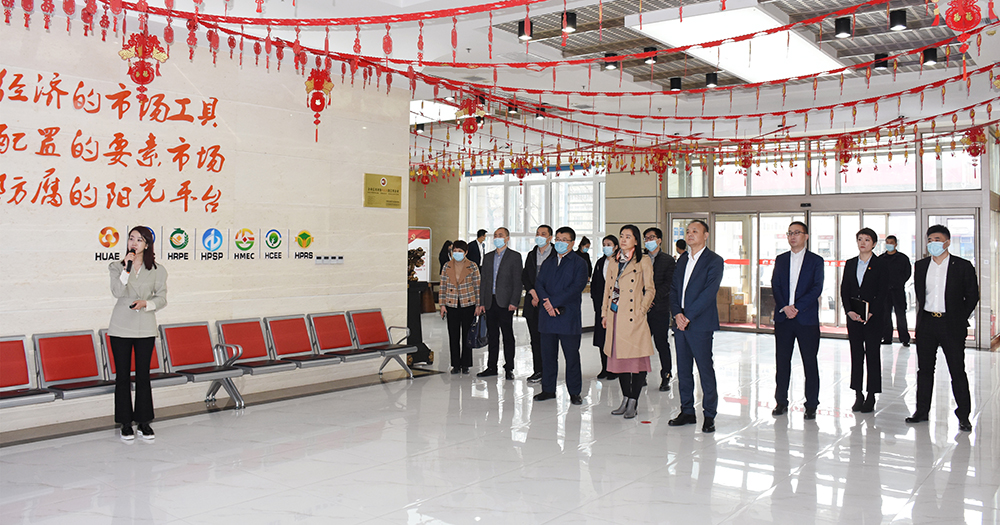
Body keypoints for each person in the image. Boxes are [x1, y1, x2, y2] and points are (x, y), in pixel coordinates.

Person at [906, 225, 979, 432]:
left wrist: (959, 317)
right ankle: (921, 411)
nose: (932, 243)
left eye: (937, 239)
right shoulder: (921, 266)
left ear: (947, 242)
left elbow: (972, 295)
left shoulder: (962, 266)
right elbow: (921, 294)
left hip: (951, 324)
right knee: (924, 370)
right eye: (929, 240)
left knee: (957, 370)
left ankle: (963, 416)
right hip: (927, 323)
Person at [108, 226, 167, 442]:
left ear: (147, 244)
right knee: (122, 376)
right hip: (120, 327)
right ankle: (125, 423)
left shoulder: (158, 270)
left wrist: (146, 303)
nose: (134, 243)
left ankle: (144, 422)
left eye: (139, 240)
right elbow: (117, 291)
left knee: (143, 375)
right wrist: (126, 268)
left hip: (145, 327)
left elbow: (162, 298)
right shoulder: (117, 267)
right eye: (131, 238)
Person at [669, 220, 724, 433]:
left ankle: (709, 414)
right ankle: (687, 411)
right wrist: (677, 314)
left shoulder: (714, 261)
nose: (690, 234)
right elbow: (674, 289)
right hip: (680, 323)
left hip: (700, 323)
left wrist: (688, 316)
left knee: (704, 369)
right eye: (688, 231)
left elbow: (709, 293)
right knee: (683, 370)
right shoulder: (682, 259)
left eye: (695, 231)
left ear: (706, 235)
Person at [770, 221, 824, 420]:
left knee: (809, 362)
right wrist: (785, 307)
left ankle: (811, 404)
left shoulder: (816, 260)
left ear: (806, 236)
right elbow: (775, 284)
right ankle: (781, 401)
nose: (792, 236)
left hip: (806, 319)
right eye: (790, 233)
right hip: (784, 318)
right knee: (782, 362)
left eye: (797, 233)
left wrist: (797, 307)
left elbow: (817, 288)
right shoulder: (781, 259)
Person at [602, 225, 655, 418]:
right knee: (620, 361)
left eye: (628, 236)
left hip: (634, 317)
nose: (623, 239)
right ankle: (625, 398)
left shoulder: (643, 260)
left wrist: (642, 310)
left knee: (636, 361)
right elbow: (608, 290)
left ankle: (634, 400)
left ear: (636, 240)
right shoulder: (613, 261)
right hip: (615, 315)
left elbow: (650, 289)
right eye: (621, 236)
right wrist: (604, 313)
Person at [533, 226, 589, 405]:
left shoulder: (579, 263)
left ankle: (574, 392)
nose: (560, 243)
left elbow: (576, 287)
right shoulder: (548, 262)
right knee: (548, 356)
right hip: (547, 317)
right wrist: (547, 303)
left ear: (572, 243)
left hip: (568, 317)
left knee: (571, 357)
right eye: (558, 239)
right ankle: (548, 389)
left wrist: (553, 302)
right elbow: (539, 284)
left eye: (564, 240)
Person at [840, 227, 887, 414]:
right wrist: (849, 311)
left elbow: (883, 292)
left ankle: (871, 395)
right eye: (860, 239)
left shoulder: (881, 264)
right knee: (856, 354)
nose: (863, 243)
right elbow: (844, 289)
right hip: (854, 317)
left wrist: (871, 312)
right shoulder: (851, 263)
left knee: (872, 355)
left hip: (873, 318)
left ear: (874, 243)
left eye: (867, 240)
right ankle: (858, 393)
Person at [475, 228, 523, 380]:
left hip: (506, 303)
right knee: (492, 335)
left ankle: (509, 367)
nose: (497, 238)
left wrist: (514, 301)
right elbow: (484, 281)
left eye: (500, 235)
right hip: (490, 302)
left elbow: (518, 281)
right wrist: (481, 302)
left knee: (507, 335)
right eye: (495, 235)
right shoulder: (488, 257)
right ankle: (491, 367)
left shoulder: (515, 256)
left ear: (507, 238)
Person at [439, 240, 481, 374]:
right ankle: (455, 364)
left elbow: (477, 286)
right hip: (451, 304)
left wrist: (478, 305)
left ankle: (466, 364)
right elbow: (443, 286)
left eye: (460, 251)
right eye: (455, 251)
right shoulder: (447, 266)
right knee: (453, 335)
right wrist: (442, 305)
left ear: (466, 252)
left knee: (467, 335)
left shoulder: (472, 266)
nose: (456, 253)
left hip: (468, 303)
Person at [643, 227, 676, 392]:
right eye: (646, 238)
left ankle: (666, 375)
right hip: (642, 310)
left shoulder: (668, 260)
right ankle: (641, 374)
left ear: (659, 240)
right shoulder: (640, 259)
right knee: (642, 343)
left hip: (660, 308)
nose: (648, 241)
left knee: (661, 343)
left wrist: (651, 299)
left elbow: (669, 284)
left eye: (652, 237)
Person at [521, 225, 554, 383]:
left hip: (550, 303)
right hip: (533, 303)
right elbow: (526, 276)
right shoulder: (531, 254)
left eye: (543, 234)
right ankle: (538, 370)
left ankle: (549, 372)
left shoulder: (556, 255)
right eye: (538, 233)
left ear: (550, 237)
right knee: (535, 339)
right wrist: (533, 292)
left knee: (549, 340)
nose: (539, 236)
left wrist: (543, 296)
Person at [591, 235, 619, 380]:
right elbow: (595, 284)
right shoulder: (600, 262)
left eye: (609, 244)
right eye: (604, 244)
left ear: (616, 247)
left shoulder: (620, 262)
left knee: (614, 339)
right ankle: (604, 367)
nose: (606, 247)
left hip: (615, 307)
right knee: (602, 338)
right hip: (601, 308)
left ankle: (615, 369)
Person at [881, 235, 912, 347]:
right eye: (887, 242)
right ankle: (887, 338)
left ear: (896, 244)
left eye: (891, 242)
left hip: (898, 290)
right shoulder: (881, 259)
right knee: (885, 315)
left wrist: (899, 282)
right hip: (885, 292)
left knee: (901, 315)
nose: (889, 244)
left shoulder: (903, 258)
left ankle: (904, 339)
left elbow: (907, 273)